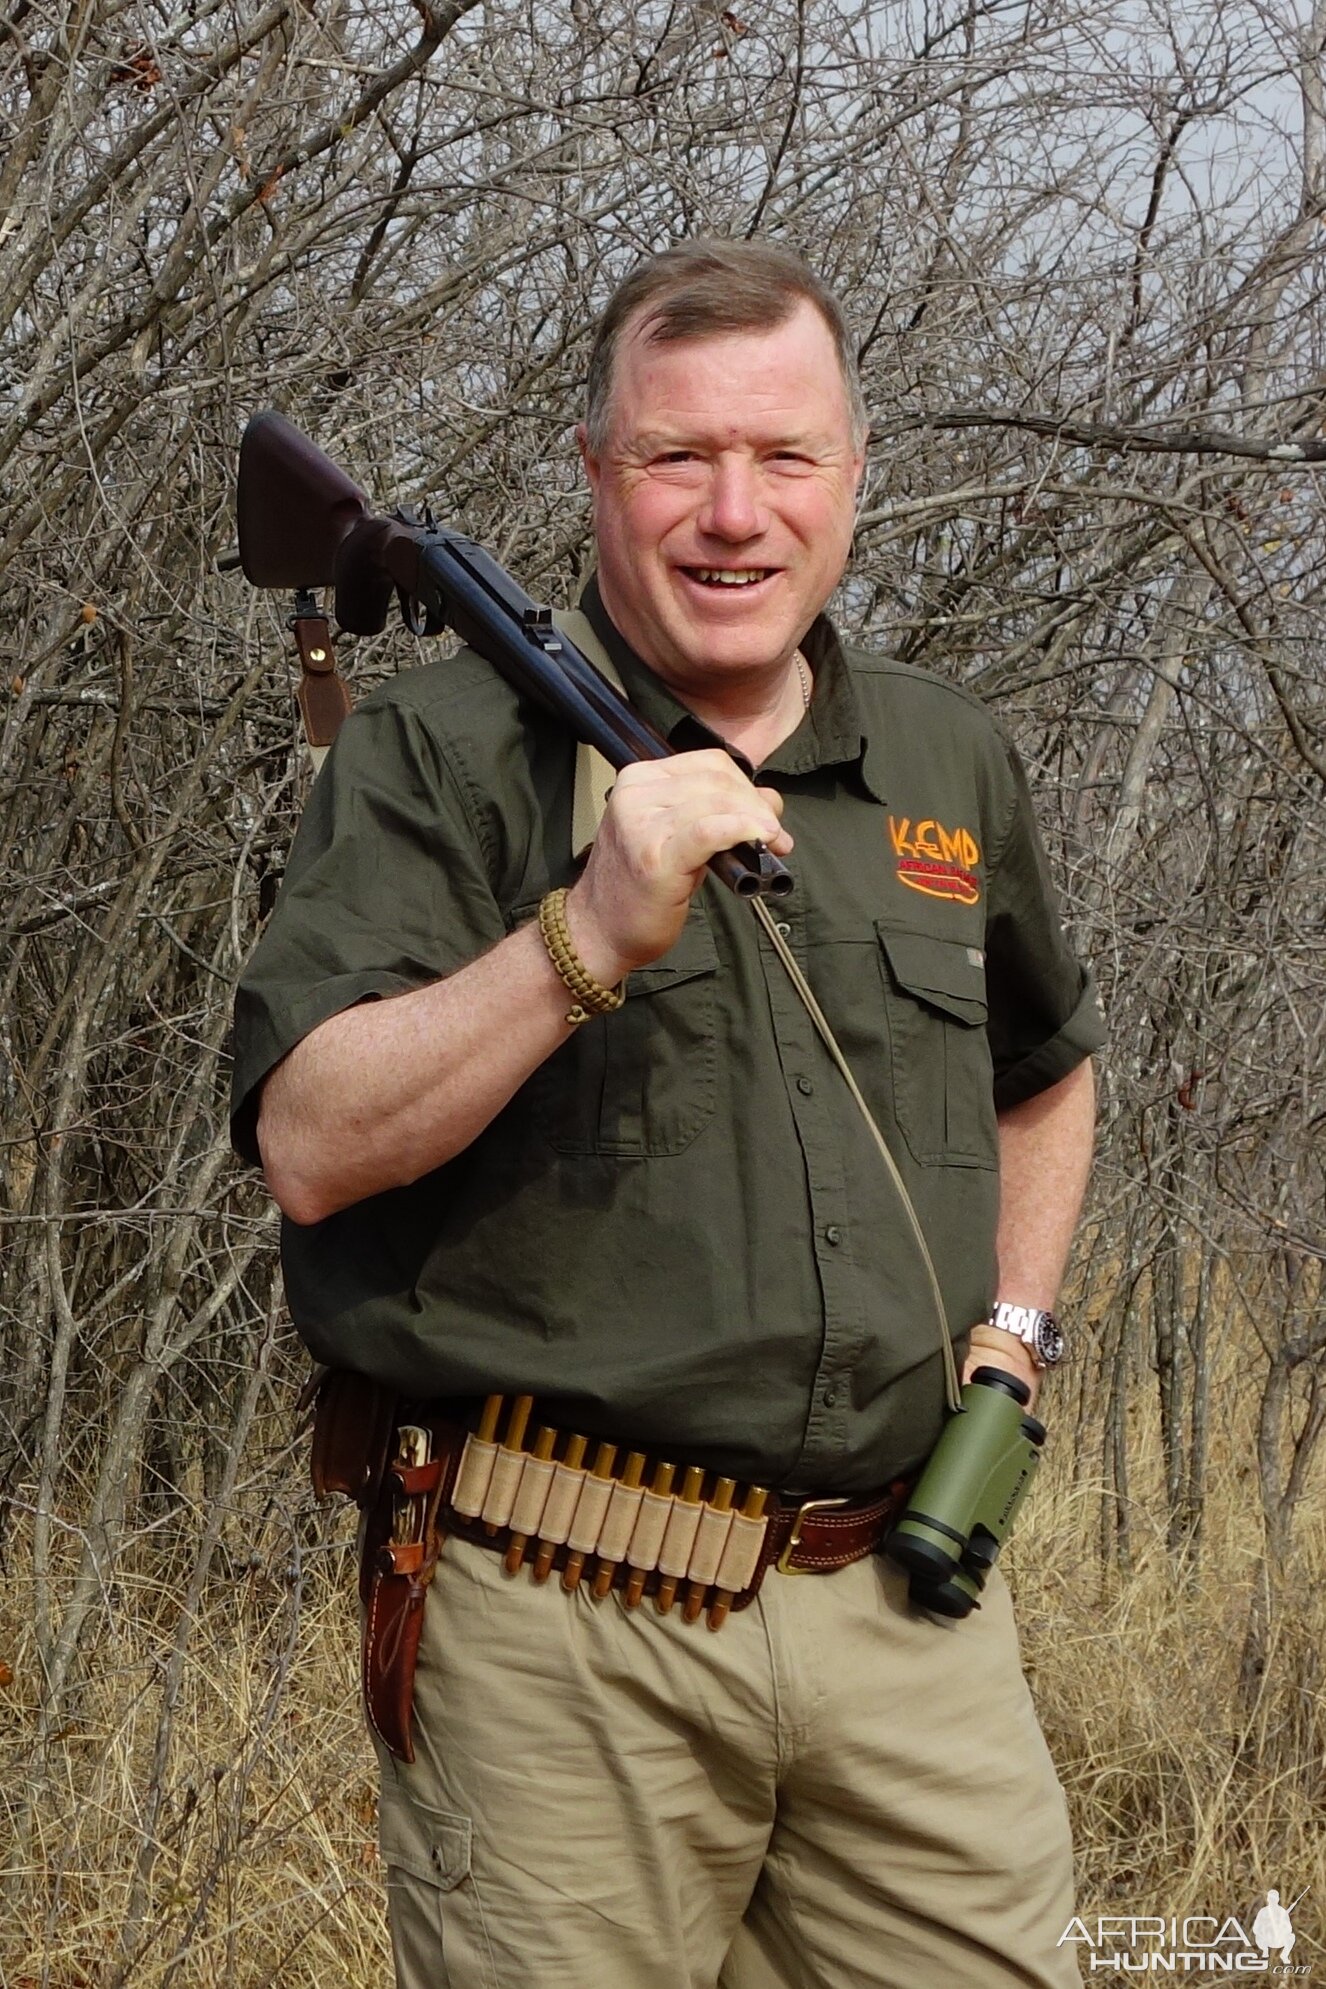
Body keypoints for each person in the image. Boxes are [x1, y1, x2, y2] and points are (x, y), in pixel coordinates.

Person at [230, 239, 1103, 1988]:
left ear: (853, 477)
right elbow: (310, 1138)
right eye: (675, 457)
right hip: (558, 1619)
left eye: (783, 457)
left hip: (908, 1604)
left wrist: (1005, 1344)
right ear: (594, 475)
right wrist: (581, 938)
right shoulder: (436, 755)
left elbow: (1045, 1068)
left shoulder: (946, 760)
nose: (733, 512)